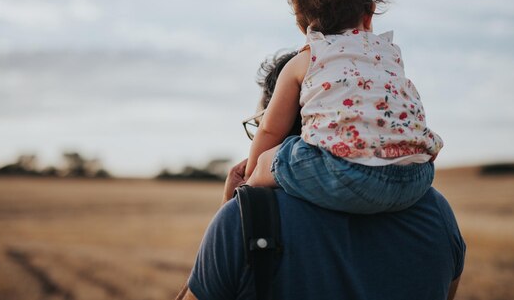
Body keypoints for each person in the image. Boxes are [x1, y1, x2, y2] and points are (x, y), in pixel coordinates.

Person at [178, 52, 465, 300]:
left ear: (279, 123)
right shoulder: (437, 213)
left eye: (259, 126)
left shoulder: (245, 220)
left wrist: (230, 212)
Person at [245, 0, 444, 214]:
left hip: (348, 177)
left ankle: (244, 199)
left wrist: (252, 173)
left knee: (277, 156)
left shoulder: (307, 59)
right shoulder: (388, 53)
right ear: (370, 13)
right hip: (416, 176)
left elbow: (270, 129)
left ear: (300, 21)